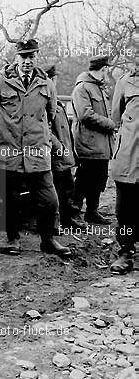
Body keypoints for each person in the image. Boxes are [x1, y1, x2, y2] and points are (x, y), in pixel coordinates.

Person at [0, 39, 71, 257]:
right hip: (8, 151)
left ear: (36, 57)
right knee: (12, 199)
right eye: (23, 57)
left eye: (32, 57)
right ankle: (13, 239)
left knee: (49, 200)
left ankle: (48, 240)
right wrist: (0, 133)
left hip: (37, 151)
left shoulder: (46, 84)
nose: (28, 61)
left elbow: (50, 115)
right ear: (16, 58)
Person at [71, 54, 116, 225]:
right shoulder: (82, 88)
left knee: (99, 179)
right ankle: (74, 214)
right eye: (106, 70)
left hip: (101, 144)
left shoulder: (99, 88)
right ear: (103, 69)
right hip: (88, 144)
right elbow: (85, 115)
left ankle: (92, 212)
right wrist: (110, 124)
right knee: (84, 180)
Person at [45, 65, 85, 231]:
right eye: (54, 79)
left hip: (64, 154)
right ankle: (57, 223)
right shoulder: (45, 101)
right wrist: (59, 147)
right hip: (54, 154)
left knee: (67, 189)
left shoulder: (57, 102)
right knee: (56, 191)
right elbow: (45, 129)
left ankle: (68, 219)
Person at [108, 53, 138, 275]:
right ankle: (126, 251)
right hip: (129, 155)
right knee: (126, 208)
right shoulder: (125, 82)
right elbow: (115, 117)